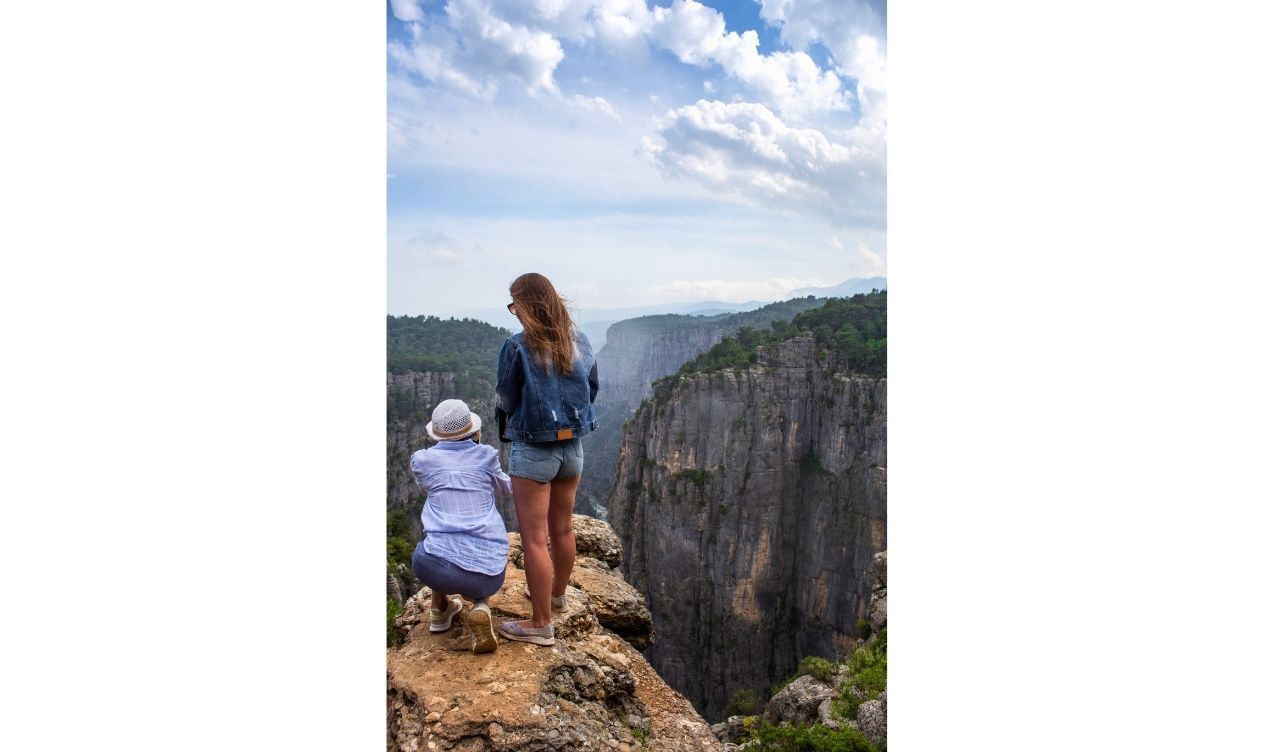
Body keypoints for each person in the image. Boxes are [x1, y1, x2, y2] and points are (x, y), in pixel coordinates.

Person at [494, 272, 599, 647]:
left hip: (534, 449)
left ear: (526, 305)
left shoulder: (517, 346)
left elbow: (506, 398)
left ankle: (541, 624)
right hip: (573, 448)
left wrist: (514, 419)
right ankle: (556, 596)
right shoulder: (580, 340)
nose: (514, 312)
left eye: (515, 306)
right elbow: (592, 389)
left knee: (534, 540)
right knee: (563, 529)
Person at [409, 398, 512, 654]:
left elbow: (425, 490)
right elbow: (506, 489)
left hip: (432, 567)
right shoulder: (487, 456)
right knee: (480, 555)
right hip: (487, 575)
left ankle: (439, 609)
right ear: (473, 431)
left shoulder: (422, 460)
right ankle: (481, 606)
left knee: (434, 536)